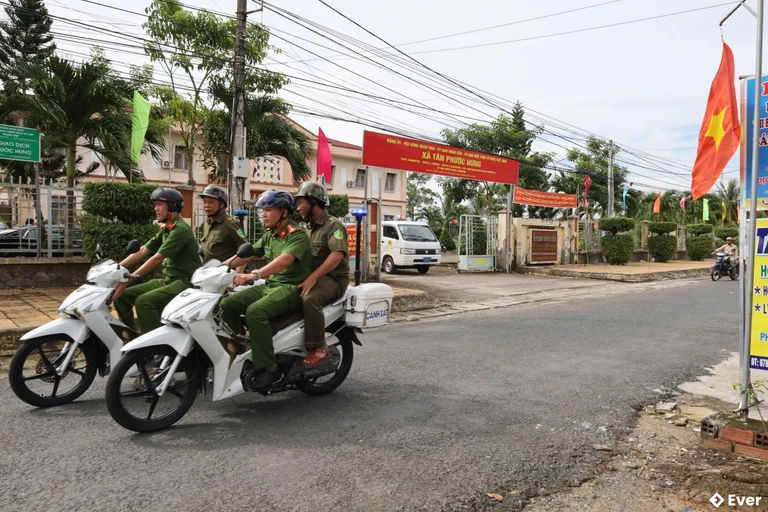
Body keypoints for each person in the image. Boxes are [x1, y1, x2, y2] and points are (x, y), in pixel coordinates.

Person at [219, 190, 311, 392]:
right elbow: (248, 254)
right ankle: (241, 348)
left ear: (284, 212)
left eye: (269, 210)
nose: (264, 214)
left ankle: (268, 367)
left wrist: (255, 275)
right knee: (227, 304)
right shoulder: (270, 234)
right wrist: (218, 268)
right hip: (271, 286)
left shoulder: (297, 235)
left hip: (290, 288)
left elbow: (284, 261)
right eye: (263, 210)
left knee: (255, 312)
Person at [113, 188, 200, 334]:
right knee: (121, 296)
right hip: (168, 280)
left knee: (144, 302)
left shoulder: (180, 230)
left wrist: (130, 278)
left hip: (184, 281)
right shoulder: (167, 228)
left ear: (172, 207)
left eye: (159, 204)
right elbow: (142, 250)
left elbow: (157, 258)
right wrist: (115, 267)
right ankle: (129, 337)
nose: (156, 209)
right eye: (155, 205)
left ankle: (152, 348)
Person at [294, 181, 349, 366]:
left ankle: (319, 347)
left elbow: (337, 255)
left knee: (310, 298)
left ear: (314, 202)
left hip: (334, 279)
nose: (298, 207)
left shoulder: (334, 226)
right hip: (316, 276)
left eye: (301, 202)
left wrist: (313, 277)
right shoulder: (308, 228)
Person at [198, 184, 248, 263]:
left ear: (221, 204)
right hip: (206, 271)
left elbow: (246, 252)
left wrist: (237, 273)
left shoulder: (230, 224)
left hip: (224, 273)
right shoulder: (208, 222)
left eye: (211, 202)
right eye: (205, 202)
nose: (206, 206)